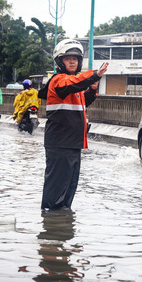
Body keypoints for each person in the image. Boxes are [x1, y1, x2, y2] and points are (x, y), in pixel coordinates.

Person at [41, 38, 108, 211]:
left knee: (68, 192)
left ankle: (62, 228)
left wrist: (92, 89)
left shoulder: (73, 87)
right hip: (60, 143)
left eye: (76, 59)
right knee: (56, 193)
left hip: (73, 143)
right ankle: (51, 230)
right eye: (68, 58)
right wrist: (94, 74)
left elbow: (82, 100)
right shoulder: (59, 81)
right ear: (60, 61)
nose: (73, 61)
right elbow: (74, 83)